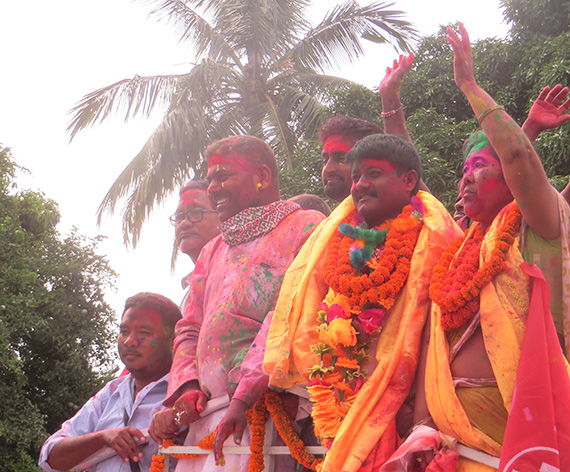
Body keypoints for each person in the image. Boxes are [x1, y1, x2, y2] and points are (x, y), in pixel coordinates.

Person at [412, 23, 570, 470]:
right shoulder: (460, 249)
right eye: (464, 170)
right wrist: (420, 425)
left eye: (480, 167)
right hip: (449, 447)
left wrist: (468, 84)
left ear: (514, 182)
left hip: (522, 447)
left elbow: (519, 158)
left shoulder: (541, 229)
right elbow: (432, 346)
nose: (466, 178)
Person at [260, 133, 461, 471]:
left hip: (408, 411)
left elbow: (436, 335)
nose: (360, 185)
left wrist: (418, 413)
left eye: (373, 174)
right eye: (356, 177)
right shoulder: (337, 242)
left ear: (408, 180)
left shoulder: (434, 240)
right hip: (334, 402)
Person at [147, 135, 324, 472]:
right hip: (206, 418)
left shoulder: (306, 227)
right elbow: (189, 328)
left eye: (223, 176)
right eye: (210, 179)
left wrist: (243, 397)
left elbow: (287, 315)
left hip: (265, 415)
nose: (213, 188)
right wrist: (187, 388)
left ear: (263, 177)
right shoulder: (213, 250)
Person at [39, 293, 181, 472]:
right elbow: (50, 457)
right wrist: (102, 438)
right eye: (124, 331)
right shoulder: (111, 393)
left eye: (144, 333)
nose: (129, 341)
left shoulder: (187, 394)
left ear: (174, 340)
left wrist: (179, 417)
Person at [320, 54, 415, 203]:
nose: (328, 169)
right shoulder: (330, 219)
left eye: (341, 159)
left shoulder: (400, 211)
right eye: (325, 160)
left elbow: (403, 162)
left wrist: (388, 96)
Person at [171, 179, 220, 305]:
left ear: (222, 216)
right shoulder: (189, 293)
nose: (184, 223)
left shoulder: (238, 274)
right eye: (179, 217)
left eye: (196, 212)